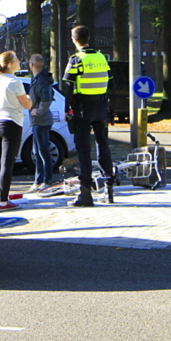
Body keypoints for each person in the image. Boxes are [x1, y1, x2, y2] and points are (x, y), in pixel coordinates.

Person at [62, 25, 112, 207]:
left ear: (74, 40)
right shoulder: (101, 57)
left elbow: (68, 87)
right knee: (103, 146)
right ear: (88, 37)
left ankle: (86, 194)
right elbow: (111, 82)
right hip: (101, 107)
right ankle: (109, 189)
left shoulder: (76, 60)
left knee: (83, 150)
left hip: (83, 109)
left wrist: (68, 110)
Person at [0, 50, 32, 211]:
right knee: (7, 163)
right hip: (11, 123)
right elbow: (27, 105)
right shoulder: (15, 82)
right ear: (9, 64)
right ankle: (3, 201)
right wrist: (30, 98)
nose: (19, 61)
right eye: (16, 59)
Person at [25, 53, 56, 193]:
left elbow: (46, 99)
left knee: (42, 152)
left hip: (41, 121)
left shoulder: (41, 81)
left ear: (32, 65)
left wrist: (38, 111)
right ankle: (38, 181)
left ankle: (46, 180)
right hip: (37, 121)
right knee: (37, 152)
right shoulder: (37, 79)